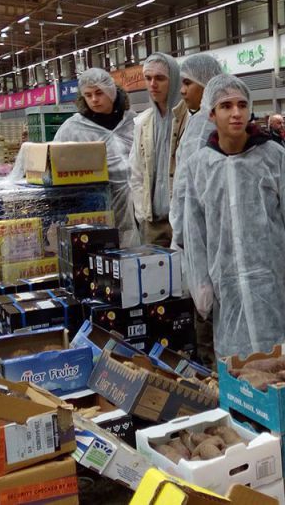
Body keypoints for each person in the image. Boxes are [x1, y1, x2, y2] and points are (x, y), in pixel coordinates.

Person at [182, 74, 285, 359]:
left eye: (242, 104)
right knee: (240, 375)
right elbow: (194, 232)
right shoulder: (199, 167)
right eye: (226, 106)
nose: (236, 113)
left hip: (275, 285)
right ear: (212, 113)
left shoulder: (272, 156)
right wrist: (201, 284)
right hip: (227, 291)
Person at [171, 53, 223, 365]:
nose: (182, 89)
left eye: (188, 82)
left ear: (205, 85)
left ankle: (215, 378)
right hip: (195, 232)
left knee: (207, 308)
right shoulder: (196, 122)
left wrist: (182, 230)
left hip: (203, 233)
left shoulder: (205, 126)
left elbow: (191, 189)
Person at [55, 68, 139, 248]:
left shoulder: (133, 121)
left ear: (112, 90)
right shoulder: (73, 128)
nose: (94, 99)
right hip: (100, 212)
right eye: (88, 95)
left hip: (140, 210)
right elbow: (54, 166)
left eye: (99, 93)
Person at [130, 53, 188, 247]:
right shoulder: (143, 122)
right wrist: (142, 214)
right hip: (152, 222)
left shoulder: (189, 119)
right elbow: (136, 171)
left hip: (182, 219)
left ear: (174, 80)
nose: (153, 84)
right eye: (148, 78)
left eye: (160, 78)